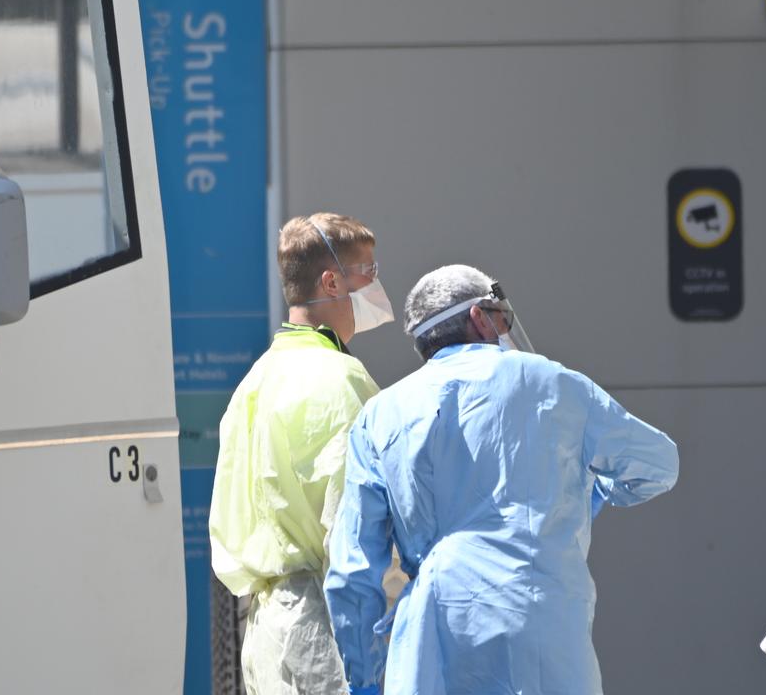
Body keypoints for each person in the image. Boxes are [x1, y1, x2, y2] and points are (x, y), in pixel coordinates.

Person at [324, 264, 679, 695]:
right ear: (479, 317)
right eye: (502, 317)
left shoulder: (379, 415)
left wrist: (363, 679)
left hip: (430, 637)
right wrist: (584, 493)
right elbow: (658, 464)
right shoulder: (551, 381)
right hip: (539, 627)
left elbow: (352, 571)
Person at [210, 212, 396, 695]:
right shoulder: (340, 379)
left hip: (266, 637)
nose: (376, 286)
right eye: (369, 273)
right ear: (331, 281)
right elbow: (357, 529)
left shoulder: (252, 383)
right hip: (327, 634)